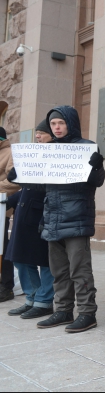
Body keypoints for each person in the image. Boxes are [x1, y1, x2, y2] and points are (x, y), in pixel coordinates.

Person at [31, 107, 105, 334]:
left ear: (70, 123)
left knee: (79, 269)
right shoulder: (49, 149)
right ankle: (63, 310)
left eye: (60, 123)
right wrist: (22, 176)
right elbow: (40, 183)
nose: (56, 128)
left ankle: (87, 313)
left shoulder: (86, 147)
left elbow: (97, 181)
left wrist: (97, 166)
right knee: (59, 270)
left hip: (76, 219)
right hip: (53, 219)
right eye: (53, 124)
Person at [6, 121, 55, 319]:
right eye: (37, 133)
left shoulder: (57, 155)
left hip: (41, 214)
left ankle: (43, 301)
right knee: (20, 258)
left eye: (42, 133)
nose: (38, 136)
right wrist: (10, 200)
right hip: (24, 213)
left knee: (43, 261)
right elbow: (24, 186)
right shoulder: (33, 152)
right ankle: (32, 297)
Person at [0, 125, 21, 303]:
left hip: (1, 210)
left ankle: (6, 286)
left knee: (2, 248)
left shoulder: (10, 153)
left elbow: (14, 181)